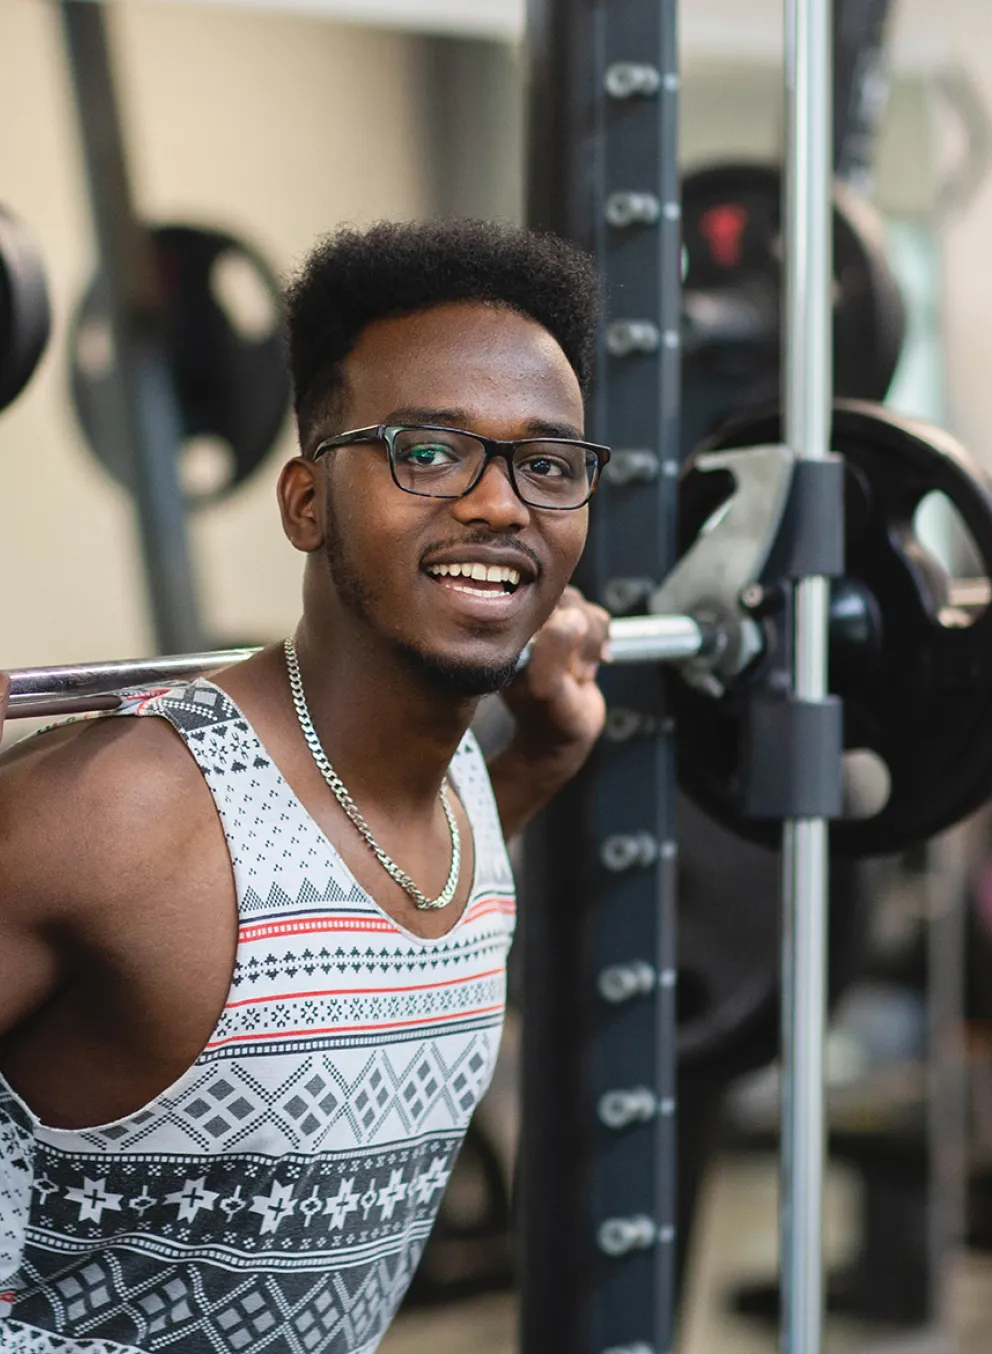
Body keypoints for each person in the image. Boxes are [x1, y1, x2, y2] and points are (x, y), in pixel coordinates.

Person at [0, 219, 611, 1353]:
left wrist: (537, 762)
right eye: (429, 451)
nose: (499, 504)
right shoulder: (118, 815)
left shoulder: (461, 791)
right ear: (305, 503)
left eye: (547, 464)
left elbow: (370, 945)